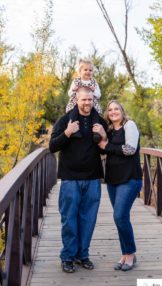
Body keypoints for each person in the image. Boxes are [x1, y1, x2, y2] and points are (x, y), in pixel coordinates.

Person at [49, 87, 107, 273]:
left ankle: (83, 256)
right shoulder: (65, 120)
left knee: (88, 220)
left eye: (90, 100)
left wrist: (104, 135)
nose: (87, 103)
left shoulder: (99, 121)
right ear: (76, 99)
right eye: (83, 100)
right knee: (69, 220)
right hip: (70, 179)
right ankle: (67, 257)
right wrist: (67, 133)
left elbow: (106, 149)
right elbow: (52, 147)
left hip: (92, 179)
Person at [93, 100, 143, 272]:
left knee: (120, 216)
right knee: (120, 217)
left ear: (122, 111)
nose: (113, 112)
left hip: (130, 179)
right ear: (107, 114)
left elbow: (130, 149)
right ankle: (125, 253)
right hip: (113, 180)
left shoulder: (130, 126)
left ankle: (130, 254)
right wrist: (101, 135)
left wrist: (108, 145)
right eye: (110, 110)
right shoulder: (108, 131)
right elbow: (102, 148)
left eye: (117, 109)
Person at [66, 58, 102, 143]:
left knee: (95, 114)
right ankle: (75, 131)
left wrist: (94, 90)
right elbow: (69, 93)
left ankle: (96, 133)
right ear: (80, 71)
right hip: (76, 102)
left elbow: (99, 95)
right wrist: (74, 89)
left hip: (91, 103)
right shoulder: (76, 80)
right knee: (73, 113)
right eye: (85, 70)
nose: (88, 72)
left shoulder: (93, 82)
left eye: (90, 70)